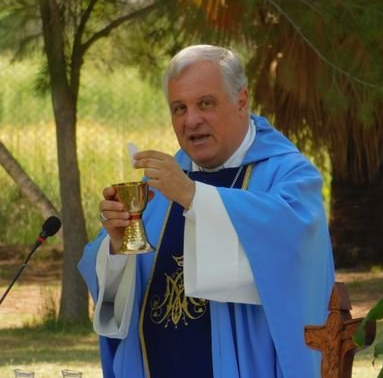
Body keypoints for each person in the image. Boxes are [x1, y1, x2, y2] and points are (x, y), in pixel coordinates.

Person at [78, 44, 335, 378]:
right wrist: (117, 248)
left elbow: (294, 257)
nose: (191, 120)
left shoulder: (288, 175)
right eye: (179, 108)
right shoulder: (159, 185)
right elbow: (114, 304)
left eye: (205, 103)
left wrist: (192, 195)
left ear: (241, 101)